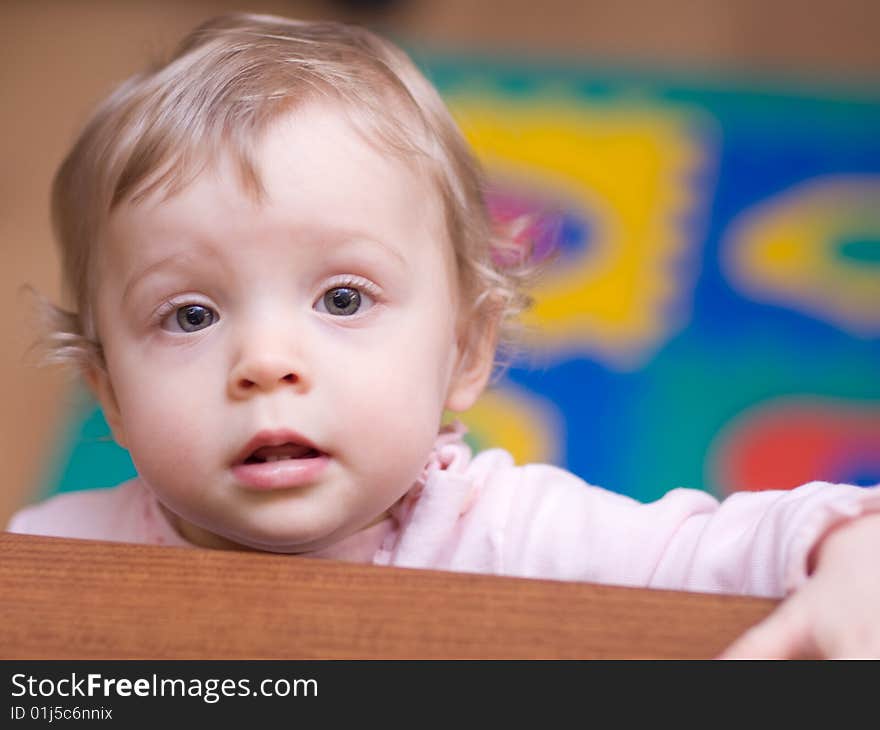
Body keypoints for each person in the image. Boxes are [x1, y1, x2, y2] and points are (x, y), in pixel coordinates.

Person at [7, 12, 880, 659]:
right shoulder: (53, 561)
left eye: (343, 299)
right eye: (191, 315)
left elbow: (736, 547)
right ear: (110, 394)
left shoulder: (516, 540)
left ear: (465, 350)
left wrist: (853, 561)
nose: (265, 363)